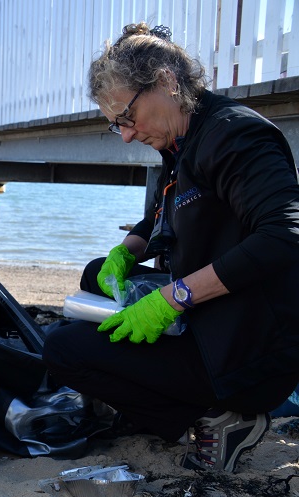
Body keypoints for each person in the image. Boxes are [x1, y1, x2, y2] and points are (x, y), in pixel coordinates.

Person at [43, 24, 299, 473]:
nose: (124, 134)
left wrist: (174, 298)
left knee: (63, 349)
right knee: (94, 273)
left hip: (250, 350)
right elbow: (169, 210)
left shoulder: (236, 136)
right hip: (215, 313)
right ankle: (171, 400)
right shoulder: (185, 138)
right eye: (115, 124)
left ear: (165, 81)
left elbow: (286, 234)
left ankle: (216, 418)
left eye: (127, 116)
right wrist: (127, 251)